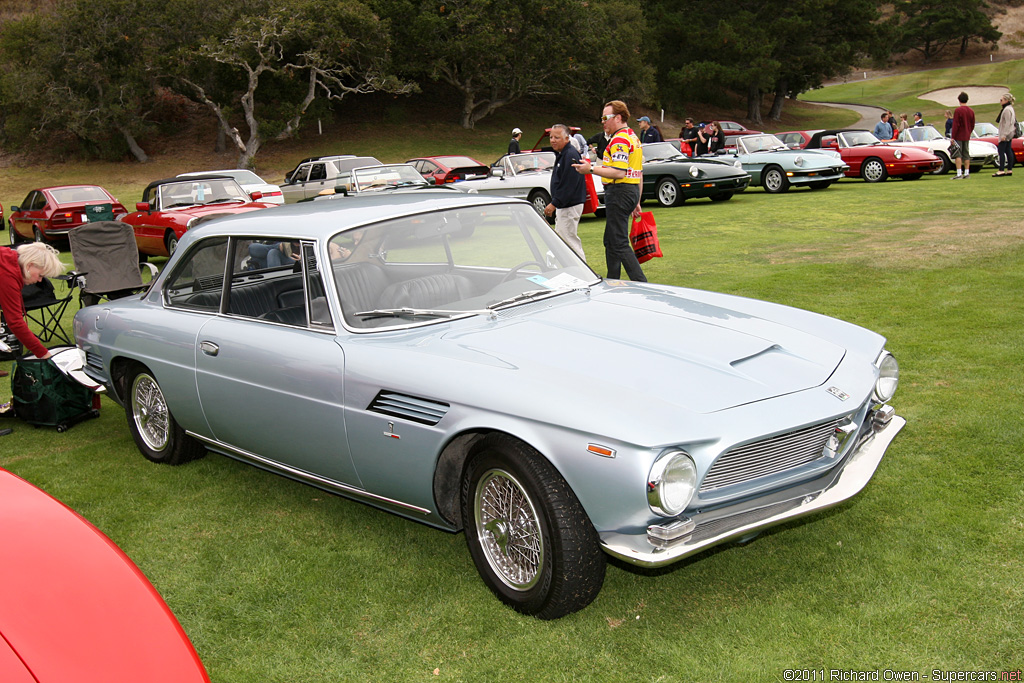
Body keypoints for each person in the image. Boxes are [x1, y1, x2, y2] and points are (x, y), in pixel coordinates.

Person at [572, 99, 646, 282]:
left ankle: (642, 284)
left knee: (619, 242)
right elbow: (639, 172)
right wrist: (637, 200)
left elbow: (619, 172)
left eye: (606, 117)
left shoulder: (620, 139)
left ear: (618, 117)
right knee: (610, 240)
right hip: (629, 190)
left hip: (620, 191)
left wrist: (589, 169)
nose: (603, 121)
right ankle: (613, 280)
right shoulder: (632, 136)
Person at [0, 242, 64, 390]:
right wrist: (44, 354)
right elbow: (15, 322)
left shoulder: (10, 261)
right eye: (40, 275)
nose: (40, 280)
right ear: (29, 265)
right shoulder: (7, 274)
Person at [543, 124, 588, 260]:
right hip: (566, 205)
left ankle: (584, 271)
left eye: (557, 137)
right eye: (551, 137)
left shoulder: (570, 154)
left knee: (568, 239)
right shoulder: (563, 154)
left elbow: (569, 184)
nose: (553, 140)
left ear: (567, 138)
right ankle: (560, 268)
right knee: (562, 238)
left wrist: (554, 203)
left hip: (570, 205)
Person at [951, 92, 975, 179]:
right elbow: (972, 124)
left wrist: (953, 136)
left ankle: (959, 173)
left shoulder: (958, 110)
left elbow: (956, 124)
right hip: (966, 135)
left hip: (959, 135)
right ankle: (967, 172)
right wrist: (969, 132)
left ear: (959, 100)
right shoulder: (971, 111)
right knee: (966, 154)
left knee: (958, 154)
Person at [993, 93, 1017, 177]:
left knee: (1001, 151)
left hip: (1006, 133)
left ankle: (1001, 170)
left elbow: (1007, 123)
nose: (1000, 101)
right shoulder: (1010, 108)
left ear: (1006, 100)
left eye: (1001, 100)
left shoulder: (1007, 110)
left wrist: (1004, 135)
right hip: (1010, 133)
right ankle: (1009, 169)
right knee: (1008, 150)